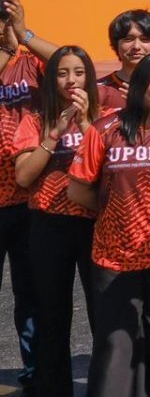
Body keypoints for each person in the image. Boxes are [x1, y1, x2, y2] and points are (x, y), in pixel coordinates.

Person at [66, 52, 150, 397]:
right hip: (115, 255)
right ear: (141, 82)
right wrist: (113, 212)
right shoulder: (104, 129)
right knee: (116, 343)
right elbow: (78, 188)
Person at [14, 45, 102, 397]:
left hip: (95, 222)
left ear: (89, 77)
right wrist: (54, 134)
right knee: (52, 313)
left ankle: (107, 385)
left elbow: (112, 168)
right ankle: (54, 388)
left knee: (103, 312)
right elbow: (23, 177)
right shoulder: (35, 119)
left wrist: (86, 126)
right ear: (52, 79)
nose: (71, 80)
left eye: (78, 73)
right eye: (63, 73)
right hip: (48, 224)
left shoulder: (104, 117)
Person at [0, 0, 57, 390]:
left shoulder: (32, 61)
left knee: (30, 293)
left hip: (28, 198)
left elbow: (73, 63)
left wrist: (24, 34)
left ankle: (35, 370)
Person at [98, 9, 150, 111]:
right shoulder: (99, 90)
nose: (136, 46)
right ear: (116, 43)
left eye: (145, 39)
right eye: (128, 39)